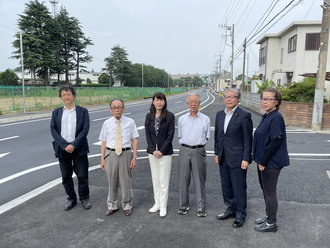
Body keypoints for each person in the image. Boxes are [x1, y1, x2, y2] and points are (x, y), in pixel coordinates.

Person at [214, 88, 253, 228]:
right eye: (226, 97)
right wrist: (217, 153)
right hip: (223, 157)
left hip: (238, 158)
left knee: (238, 186)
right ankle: (230, 209)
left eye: (232, 97)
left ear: (238, 99)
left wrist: (246, 158)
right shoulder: (220, 115)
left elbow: (248, 140)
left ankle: (241, 213)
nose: (228, 99)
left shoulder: (244, 115)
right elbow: (218, 136)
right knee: (227, 186)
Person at [253, 88, 290, 232]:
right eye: (263, 98)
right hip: (263, 161)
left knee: (270, 192)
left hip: (270, 162)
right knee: (265, 190)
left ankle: (271, 223)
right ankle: (269, 215)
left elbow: (275, 142)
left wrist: (263, 161)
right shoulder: (267, 116)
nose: (265, 101)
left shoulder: (276, 117)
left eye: (269, 99)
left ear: (276, 102)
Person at [50, 84, 91, 211]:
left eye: (68, 94)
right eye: (63, 95)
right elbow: (53, 129)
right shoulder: (56, 112)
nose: (66, 97)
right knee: (66, 176)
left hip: (79, 148)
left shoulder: (82, 111)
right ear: (61, 97)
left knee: (82, 175)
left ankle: (84, 198)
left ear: (73, 96)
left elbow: (85, 129)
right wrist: (64, 145)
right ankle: (71, 198)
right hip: (63, 150)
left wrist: (74, 144)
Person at [99, 99, 139, 216]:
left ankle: (127, 205)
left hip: (125, 154)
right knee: (112, 181)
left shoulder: (130, 122)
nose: (117, 109)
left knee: (126, 181)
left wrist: (134, 157)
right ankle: (112, 205)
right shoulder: (106, 123)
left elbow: (134, 140)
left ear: (123, 109)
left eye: (119, 107)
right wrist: (102, 159)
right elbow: (103, 142)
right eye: (114, 107)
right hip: (110, 154)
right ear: (110, 109)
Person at [177, 93, 210, 217]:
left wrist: (198, 146)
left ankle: (201, 208)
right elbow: (180, 135)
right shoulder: (181, 119)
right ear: (187, 104)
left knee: (199, 179)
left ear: (199, 103)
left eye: (196, 101)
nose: (193, 104)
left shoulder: (205, 119)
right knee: (183, 179)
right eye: (191, 102)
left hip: (198, 150)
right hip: (184, 149)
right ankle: (183, 206)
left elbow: (207, 137)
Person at [145, 92, 175, 218]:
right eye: (157, 100)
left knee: (164, 181)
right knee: (156, 179)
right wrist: (153, 150)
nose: (159, 102)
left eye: (161, 100)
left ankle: (163, 205)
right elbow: (147, 134)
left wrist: (161, 150)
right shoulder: (149, 116)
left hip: (165, 153)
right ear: (153, 102)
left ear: (164, 102)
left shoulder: (170, 116)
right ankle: (157, 203)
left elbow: (170, 135)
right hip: (152, 153)